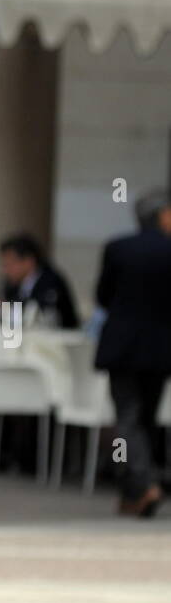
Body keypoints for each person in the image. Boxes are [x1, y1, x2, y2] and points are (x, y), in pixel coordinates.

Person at [94, 189, 171, 517]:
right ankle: (139, 486)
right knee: (145, 419)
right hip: (160, 348)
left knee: (128, 418)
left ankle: (138, 486)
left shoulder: (118, 247)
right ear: (162, 215)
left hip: (123, 345)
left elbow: (103, 295)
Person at [0, 232, 79, 330]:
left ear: (28, 261)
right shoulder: (12, 285)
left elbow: (43, 317)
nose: (5, 270)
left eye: (9, 264)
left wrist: (1, 309)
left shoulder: (51, 282)